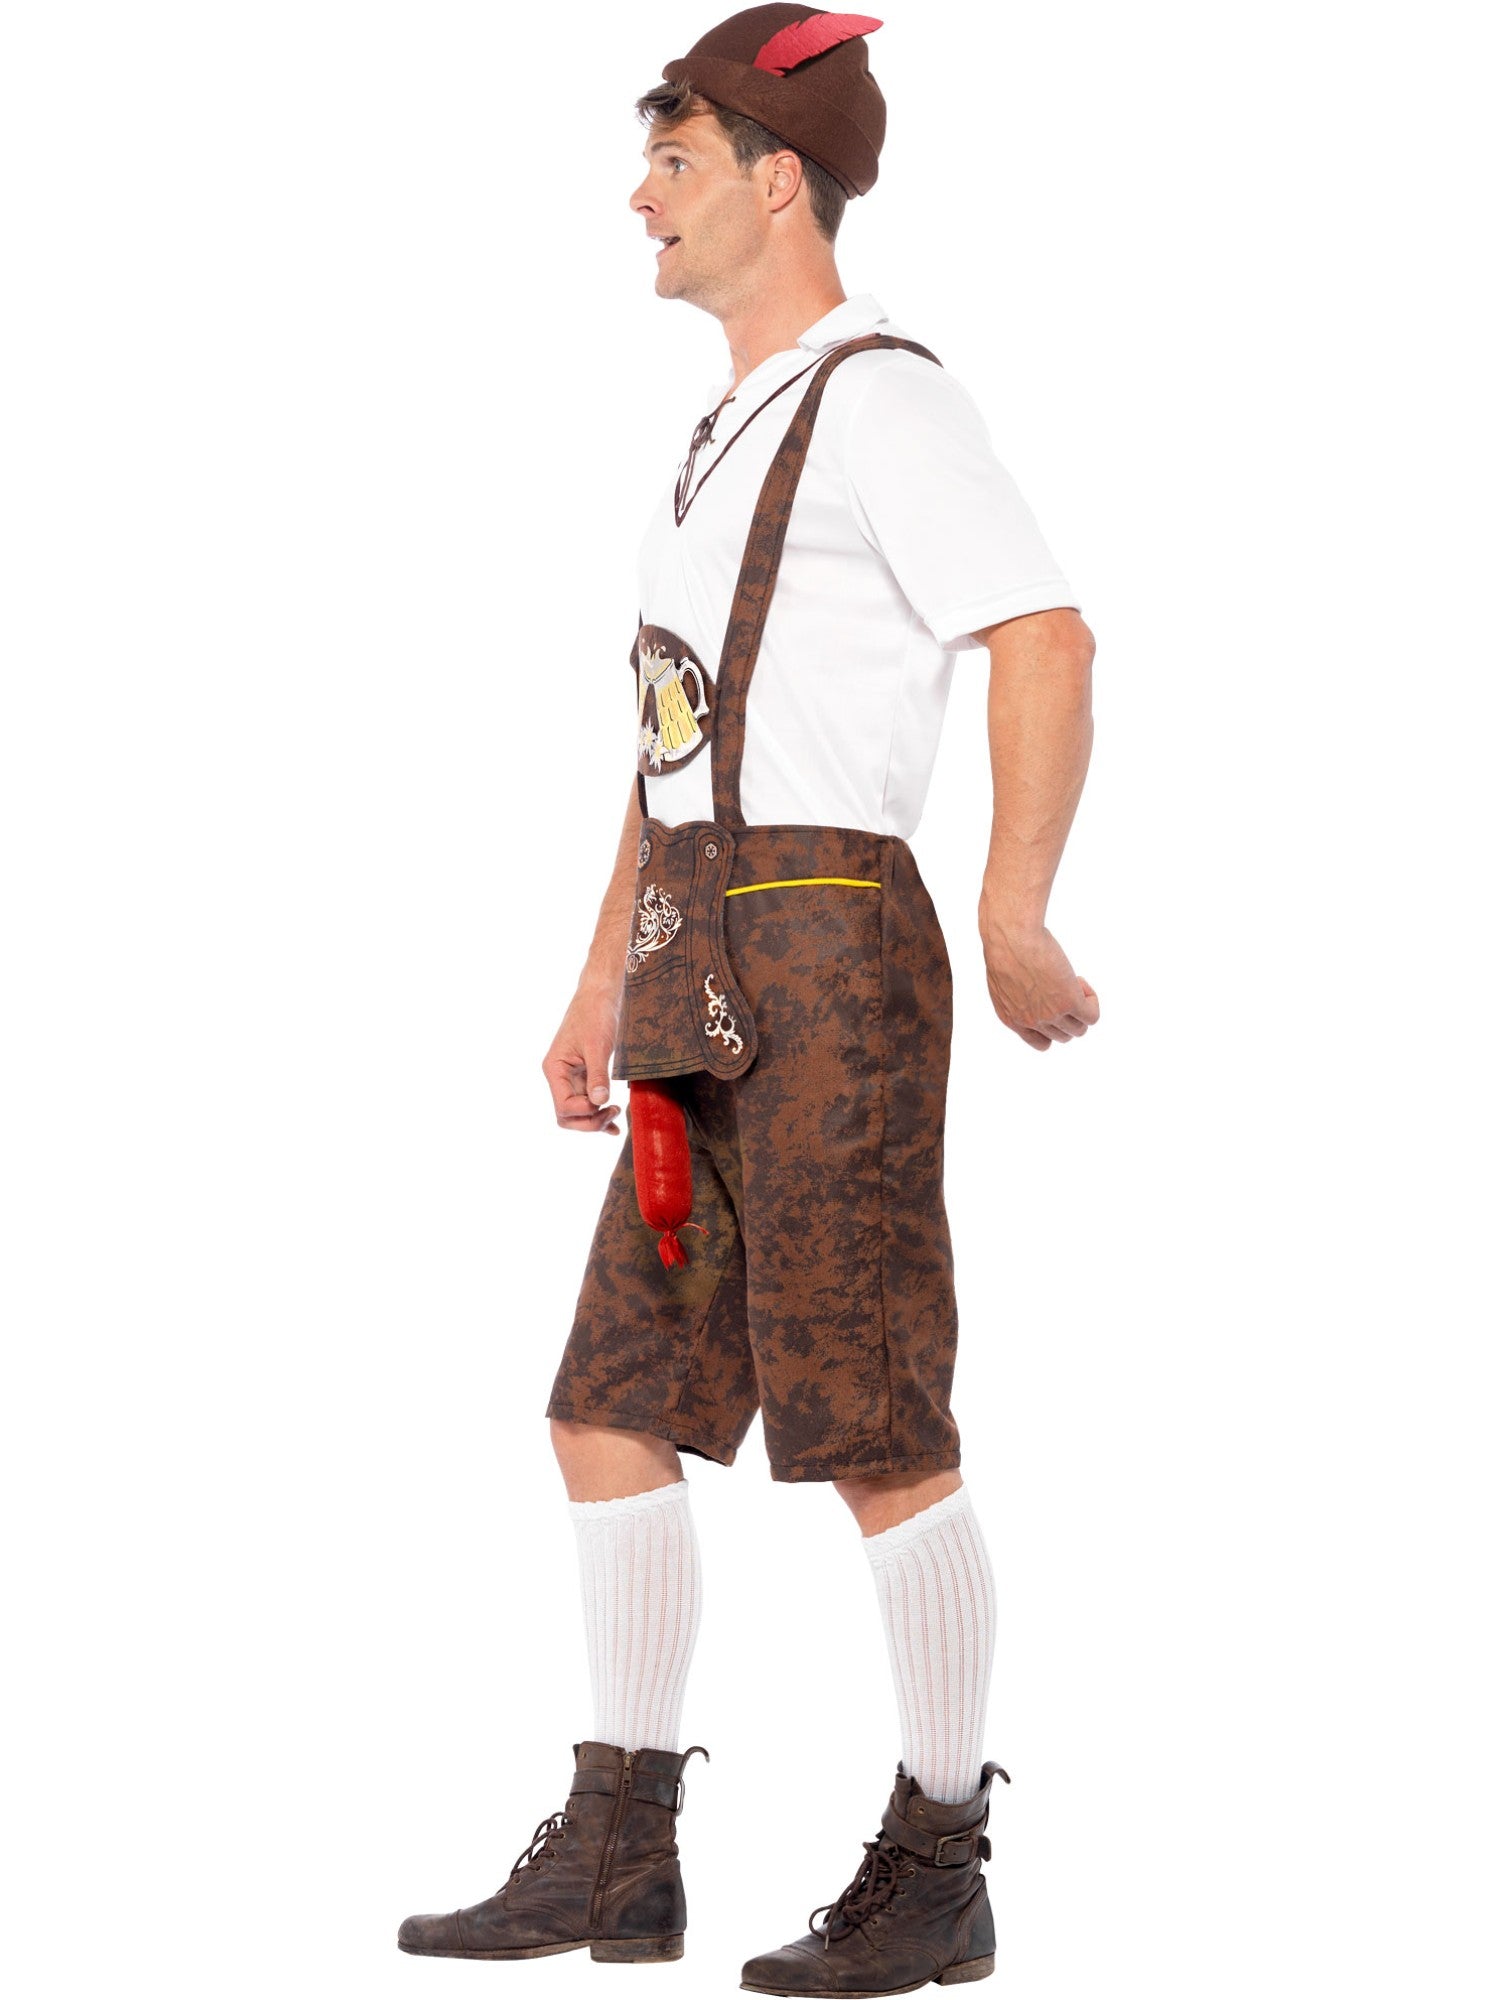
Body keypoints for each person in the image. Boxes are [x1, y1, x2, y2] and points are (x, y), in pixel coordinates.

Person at [398, 9, 1098, 1992]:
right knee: (611, 1407)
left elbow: (1046, 636)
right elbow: (666, 742)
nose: (640, 196)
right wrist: (594, 980)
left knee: (868, 1414)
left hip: (827, 941)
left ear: (779, 179)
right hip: (698, 951)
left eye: (674, 161)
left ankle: (941, 1861)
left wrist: (1016, 901)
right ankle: (622, 1853)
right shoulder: (718, 436)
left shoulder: (882, 400)